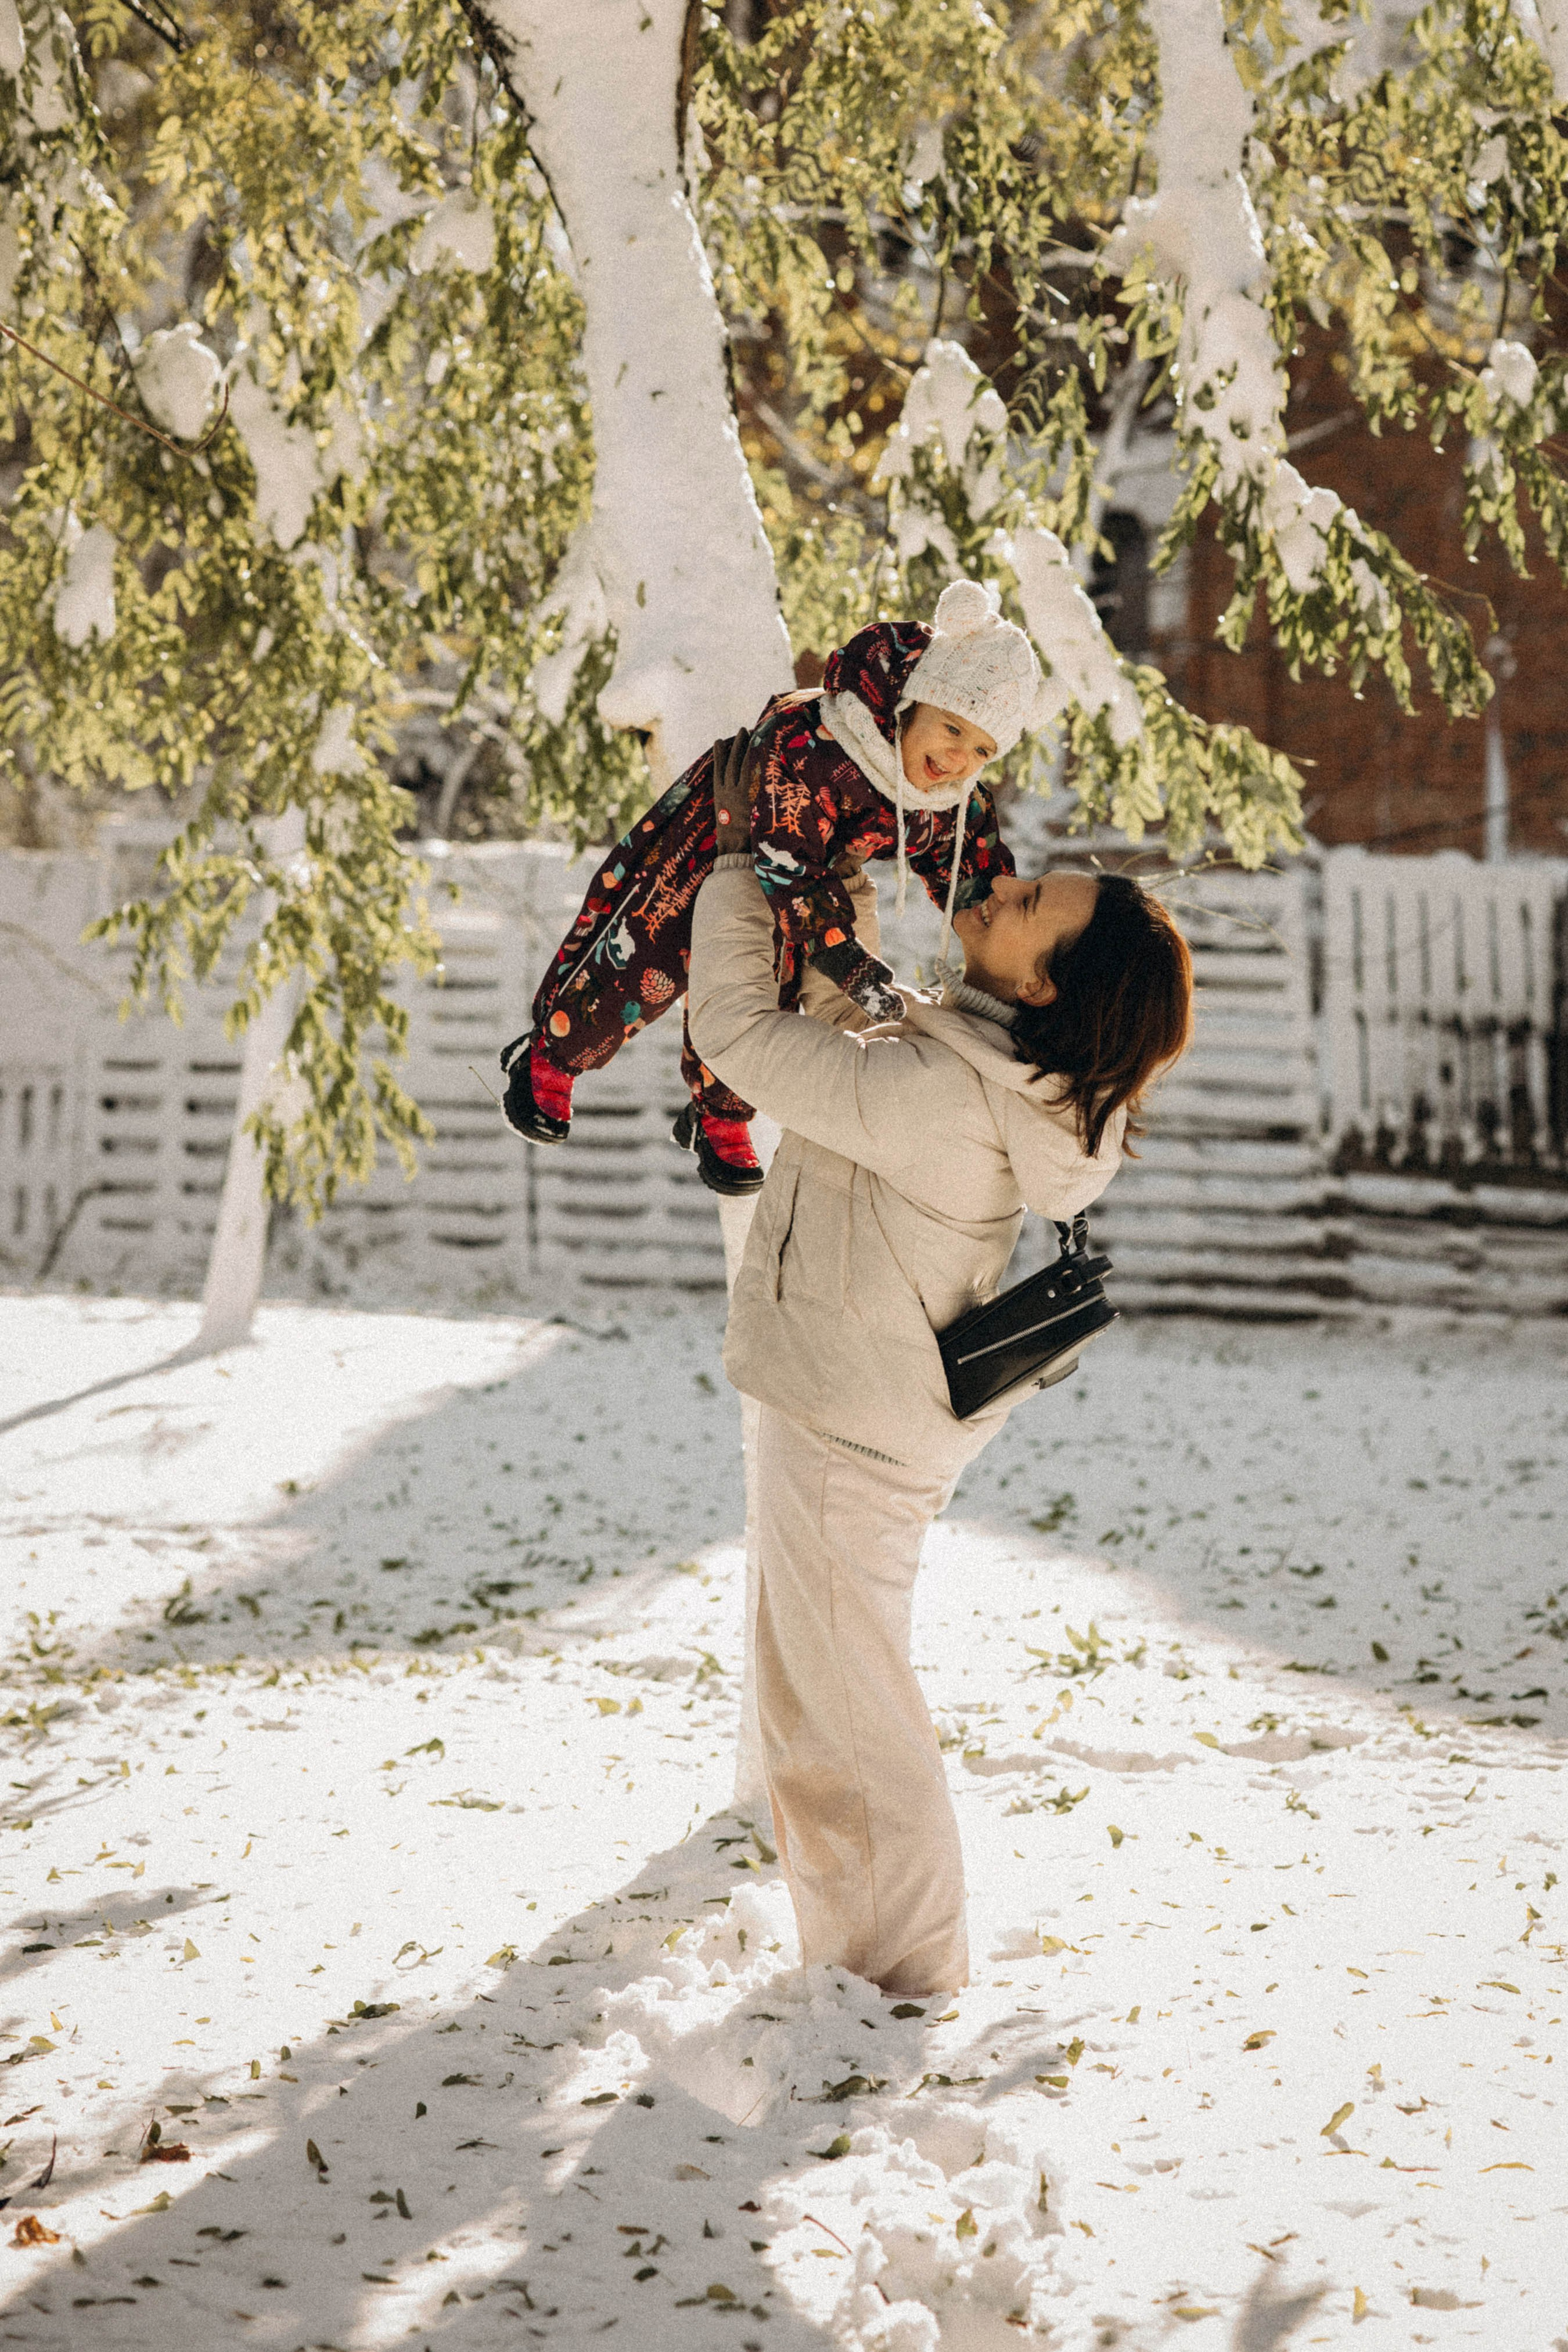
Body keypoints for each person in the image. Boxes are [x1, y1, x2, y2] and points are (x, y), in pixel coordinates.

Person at [684, 754, 1194, 1999]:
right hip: (862, 1419)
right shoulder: (977, 1068)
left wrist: (737, 868)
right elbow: (849, 1025)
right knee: (826, 1714)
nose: (1005, 888)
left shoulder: (940, 1099)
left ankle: (900, 1983)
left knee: (846, 1730)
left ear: (1041, 983)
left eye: (1031, 909)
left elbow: (741, 1036)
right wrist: (824, 906)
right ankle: (868, 1971)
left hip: (845, 1439)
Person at [498, 579, 1037, 1196]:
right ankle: (553, 1052)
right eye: (951, 728)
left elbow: (968, 867)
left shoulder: (943, 794)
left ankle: (721, 1113)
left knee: (764, 996)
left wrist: (1006, 926)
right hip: (719, 846)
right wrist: (844, 958)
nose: (960, 757)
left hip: (808, 890)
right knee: (641, 960)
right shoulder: (818, 742)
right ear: (911, 704)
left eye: (983, 749)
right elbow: (786, 855)